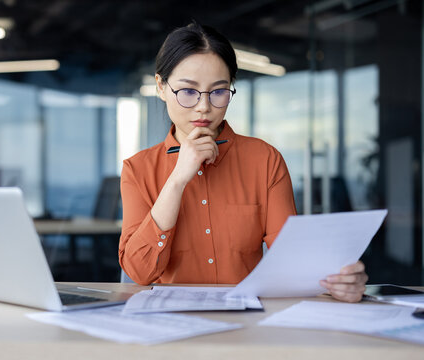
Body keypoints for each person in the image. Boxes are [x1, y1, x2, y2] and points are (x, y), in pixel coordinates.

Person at [118, 22, 368, 303]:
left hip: (246, 321)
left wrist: (338, 280)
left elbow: (293, 260)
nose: (204, 106)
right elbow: (139, 272)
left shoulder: (264, 160)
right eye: (188, 92)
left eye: (218, 91)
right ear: (161, 87)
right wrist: (176, 181)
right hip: (170, 321)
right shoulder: (137, 170)